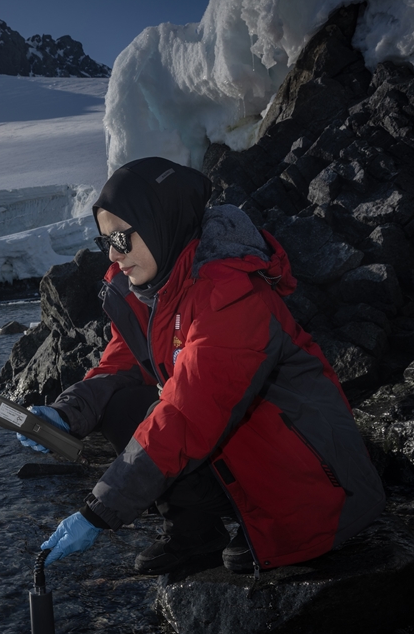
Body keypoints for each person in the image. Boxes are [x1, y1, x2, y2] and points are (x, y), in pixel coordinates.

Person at [20, 157, 386, 575]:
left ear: (160, 222)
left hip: (309, 481)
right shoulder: (148, 289)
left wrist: (100, 511)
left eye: (122, 238)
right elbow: (120, 365)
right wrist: (64, 414)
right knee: (122, 403)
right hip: (241, 453)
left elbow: (187, 412)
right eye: (106, 242)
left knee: (174, 418)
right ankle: (194, 535)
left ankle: (285, 526)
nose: (114, 256)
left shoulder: (229, 292)